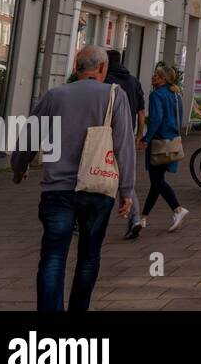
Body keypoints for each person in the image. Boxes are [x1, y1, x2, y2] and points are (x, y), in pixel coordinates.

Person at [11, 45, 135, 312]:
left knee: (53, 256)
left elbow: (30, 136)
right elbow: (124, 145)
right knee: (89, 256)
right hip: (97, 188)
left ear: (75, 68)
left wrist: (18, 167)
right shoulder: (115, 95)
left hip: (57, 190)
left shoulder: (55, 95)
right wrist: (128, 190)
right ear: (102, 69)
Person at [136, 65, 190, 235]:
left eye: (156, 76)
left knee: (157, 180)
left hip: (159, 142)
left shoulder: (156, 95)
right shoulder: (175, 95)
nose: (153, 78)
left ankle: (177, 209)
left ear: (163, 79)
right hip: (172, 141)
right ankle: (142, 217)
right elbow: (179, 116)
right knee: (156, 180)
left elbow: (156, 119)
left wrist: (146, 138)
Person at [106, 50, 146, 241]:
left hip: (105, 134)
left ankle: (83, 219)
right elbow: (141, 112)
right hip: (127, 133)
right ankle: (135, 218)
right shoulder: (133, 81)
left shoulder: (105, 81)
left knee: (93, 173)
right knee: (125, 177)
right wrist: (139, 136)